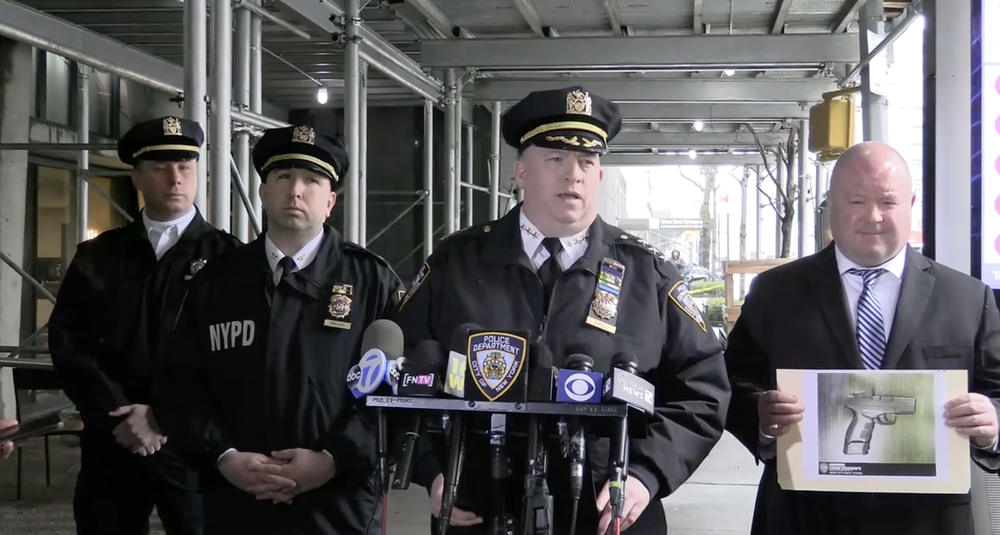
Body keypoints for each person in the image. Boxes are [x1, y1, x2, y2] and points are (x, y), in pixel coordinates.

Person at [392, 86, 731, 535]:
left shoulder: (649, 274)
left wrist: (647, 475)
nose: (573, 175)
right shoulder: (455, 263)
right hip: (479, 501)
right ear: (520, 172)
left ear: (600, 176)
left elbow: (703, 390)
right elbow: (397, 371)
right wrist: (433, 470)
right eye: (554, 159)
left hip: (610, 507)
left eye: (587, 162)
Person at [724, 141, 1000, 535]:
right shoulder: (774, 293)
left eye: (888, 202)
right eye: (856, 201)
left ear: (911, 204)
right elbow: (728, 385)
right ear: (830, 204)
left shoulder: (969, 299)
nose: (873, 216)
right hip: (802, 516)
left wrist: (993, 423)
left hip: (929, 521)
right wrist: (761, 419)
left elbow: (997, 390)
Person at [156, 124, 406, 535]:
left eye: (312, 180)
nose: (296, 191)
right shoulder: (216, 282)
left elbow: (392, 390)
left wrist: (333, 459)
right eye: (283, 178)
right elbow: (180, 384)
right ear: (263, 193)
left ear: (330, 201)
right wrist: (224, 455)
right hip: (235, 500)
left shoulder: (372, 283)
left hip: (338, 507)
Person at [47, 116, 242, 535]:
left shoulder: (232, 261)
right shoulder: (99, 257)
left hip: (195, 447)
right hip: (112, 440)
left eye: (185, 167)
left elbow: (235, 357)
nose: (175, 178)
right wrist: (115, 414)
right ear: (136, 176)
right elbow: (68, 343)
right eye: (160, 167)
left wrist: (163, 416)